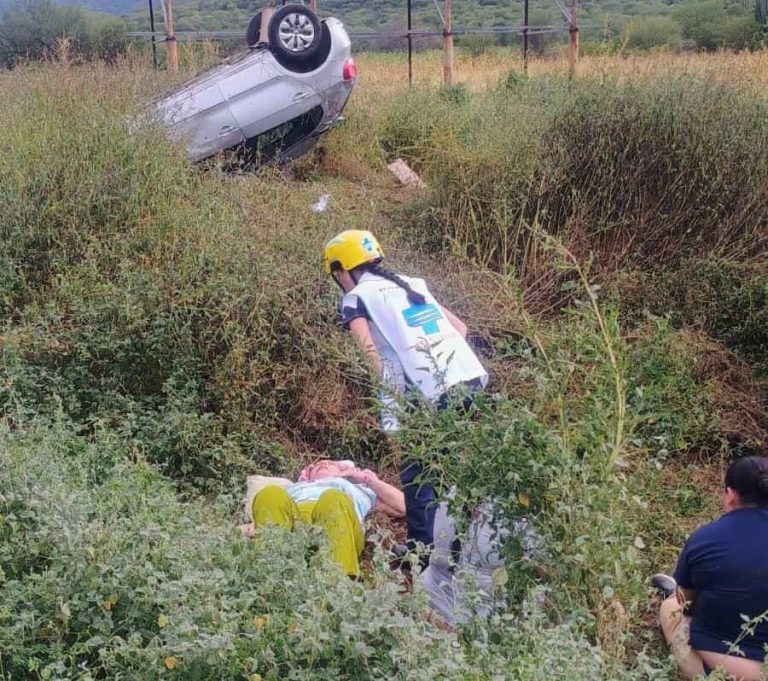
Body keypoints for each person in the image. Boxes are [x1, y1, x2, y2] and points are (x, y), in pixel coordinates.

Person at [323, 229, 488, 556]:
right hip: (468, 380)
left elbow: (370, 354)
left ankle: (424, 556)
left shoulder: (356, 298)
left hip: (427, 393)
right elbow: (461, 329)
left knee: (418, 475)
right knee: (445, 469)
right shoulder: (412, 283)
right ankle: (450, 550)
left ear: (343, 269)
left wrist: (393, 396)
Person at [652, 456, 768, 680]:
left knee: (670, 607)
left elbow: (686, 602)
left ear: (731, 495)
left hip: (724, 672)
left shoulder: (705, 538)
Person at [240, 459, 405, 577]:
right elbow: (270, 513)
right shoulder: (295, 487)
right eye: (318, 464)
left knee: (332, 498)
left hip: (338, 524)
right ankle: (268, 574)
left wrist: (367, 479)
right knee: (270, 493)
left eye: (330, 463)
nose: (323, 463)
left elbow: (402, 506)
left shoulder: (357, 488)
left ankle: (337, 583)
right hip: (295, 525)